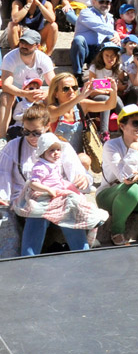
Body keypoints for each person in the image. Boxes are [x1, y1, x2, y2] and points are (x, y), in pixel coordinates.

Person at [0, 104, 95, 257]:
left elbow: (77, 174)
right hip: (27, 198)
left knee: (68, 208)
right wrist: (3, 196)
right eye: (26, 132)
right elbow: (3, 174)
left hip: (58, 196)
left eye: (36, 133)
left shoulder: (61, 146)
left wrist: (83, 179)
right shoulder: (13, 147)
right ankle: (28, 257)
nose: (31, 137)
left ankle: (83, 254)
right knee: (38, 212)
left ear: (47, 127)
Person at [97, 105, 138, 245]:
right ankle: (117, 231)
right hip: (110, 195)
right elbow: (125, 177)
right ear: (122, 126)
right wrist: (133, 150)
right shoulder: (111, 145)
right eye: (135, 123)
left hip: (136, 192)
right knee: (132, 189)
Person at [0, 29, 55, 139]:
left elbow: (54, 83)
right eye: (22, 42)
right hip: (15, 93)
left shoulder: (43, 59)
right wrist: (24, 94)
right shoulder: (10, 57)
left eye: (28, 44)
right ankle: (2, 136)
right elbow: (6, 85)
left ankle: (50, 134)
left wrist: (45, 93)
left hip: (35, 92)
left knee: (54, 97)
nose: (24, 46)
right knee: (5, 97)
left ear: (37, 46)